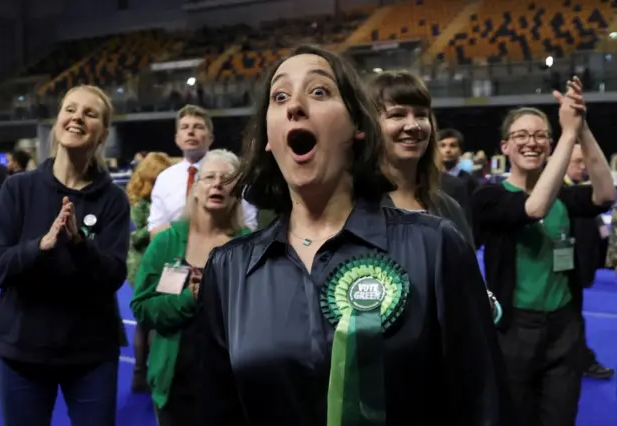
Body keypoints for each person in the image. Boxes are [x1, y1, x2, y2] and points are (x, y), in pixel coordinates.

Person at [197, 45, 511, 426]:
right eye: (279, 97)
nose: (294, 105)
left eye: (318, 91)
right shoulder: (228, 269)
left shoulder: (435, 246)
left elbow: (483, 405)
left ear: (358, 127)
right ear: (268, 135)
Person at [0, 85, 131, 426]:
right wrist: (41, 246)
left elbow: (113, 275)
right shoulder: (18, 189)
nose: (77, 117)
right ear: (58, 120)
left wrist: (78, 243)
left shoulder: (113, 201)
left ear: (103, 133)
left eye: (90, 113)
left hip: (91, 354)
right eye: (70, 109)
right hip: (21, 352)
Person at [472, 76, 614, 426]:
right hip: (515, 329)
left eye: (540, 135)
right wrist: (566, 134)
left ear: (550, 145)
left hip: (565, 326)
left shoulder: (564, 196)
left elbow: (606, 195)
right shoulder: (489, 197)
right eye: (521, 135)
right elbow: (533, 208)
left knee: (560, 416)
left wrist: (580, 128)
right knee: (516, 415)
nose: (531, 142)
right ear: (504, 147)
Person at [131, 149, 252, 426]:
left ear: (237, 191)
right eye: (209, 177)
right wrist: (190, 298)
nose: (217, 184)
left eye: (227, 179)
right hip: (176, 387)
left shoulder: (250, 245)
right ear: (195, 189)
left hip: (233, 388)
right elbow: (142, 306)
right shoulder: (166, 242)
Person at [367, 71, 473, 245]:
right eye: (397, 115)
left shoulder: (448, 207)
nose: (413, 125)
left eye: (421, 115)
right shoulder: (351, 205)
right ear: (370, 124)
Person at [147, 104, 258, 236]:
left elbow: (249, 225)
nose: (191, 132)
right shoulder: (165, 179)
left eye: (198, 127)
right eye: (184, 127)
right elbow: (154, 230)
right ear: (177, 139)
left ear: (210, 138)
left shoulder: (232, 173)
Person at [564, 144, 614, 380]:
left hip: (580, 269)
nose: (583, 168)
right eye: (577, 162)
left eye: (585, 162)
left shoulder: (584, 191)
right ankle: (582, 358)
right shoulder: (557, 192)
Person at [125, 151, 173, 392]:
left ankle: (155, 372)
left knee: (161, 320)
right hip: (141, 265)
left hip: (165, 263)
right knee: (146, 322)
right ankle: (140, 374)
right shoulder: (136, 202)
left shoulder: (164, 199)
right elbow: (132, 237)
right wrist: (158, 229)